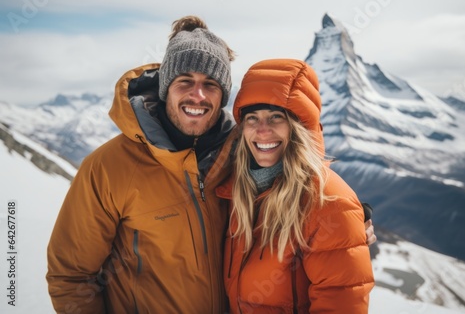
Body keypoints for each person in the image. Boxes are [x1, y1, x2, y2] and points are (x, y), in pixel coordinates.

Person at [46, 16, 375, 313]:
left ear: (223, 95)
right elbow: (71, 276)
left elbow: (287, 187)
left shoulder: (239, 154)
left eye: (211, 84)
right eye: (184, 81)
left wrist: (348, 215)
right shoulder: (108, 168)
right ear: (165, 89)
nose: (198, 95)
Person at [216, 58, 374, 313]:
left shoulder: (328, 203)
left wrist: (349, 222)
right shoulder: (236, 192)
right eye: (252, 118)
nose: (262, 130)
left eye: (276, 117)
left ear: (300, 127)